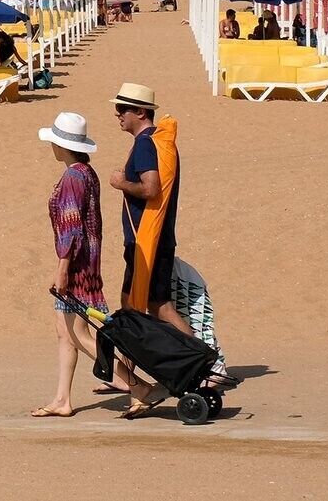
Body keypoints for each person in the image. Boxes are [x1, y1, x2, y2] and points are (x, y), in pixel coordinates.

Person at [105, 83, 189, 414]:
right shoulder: (156, 142)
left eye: (122, 110)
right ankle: (131, 379)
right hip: (154, 239)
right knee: (144, 305)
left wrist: (121, 183)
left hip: (147, 242)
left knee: (147, 308)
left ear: (140, 112)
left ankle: (201, 362)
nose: (117, 116)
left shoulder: (145, 145)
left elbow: (151, 188)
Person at [29, 111, 120, 418]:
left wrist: (62, 269)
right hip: (87, 262)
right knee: (65, 332)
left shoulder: (73, 178)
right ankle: (62, 399)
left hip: (78, 266)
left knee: (78, 334)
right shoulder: (86, 173)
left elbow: (71, 228)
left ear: (61, 146)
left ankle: (135, 386)